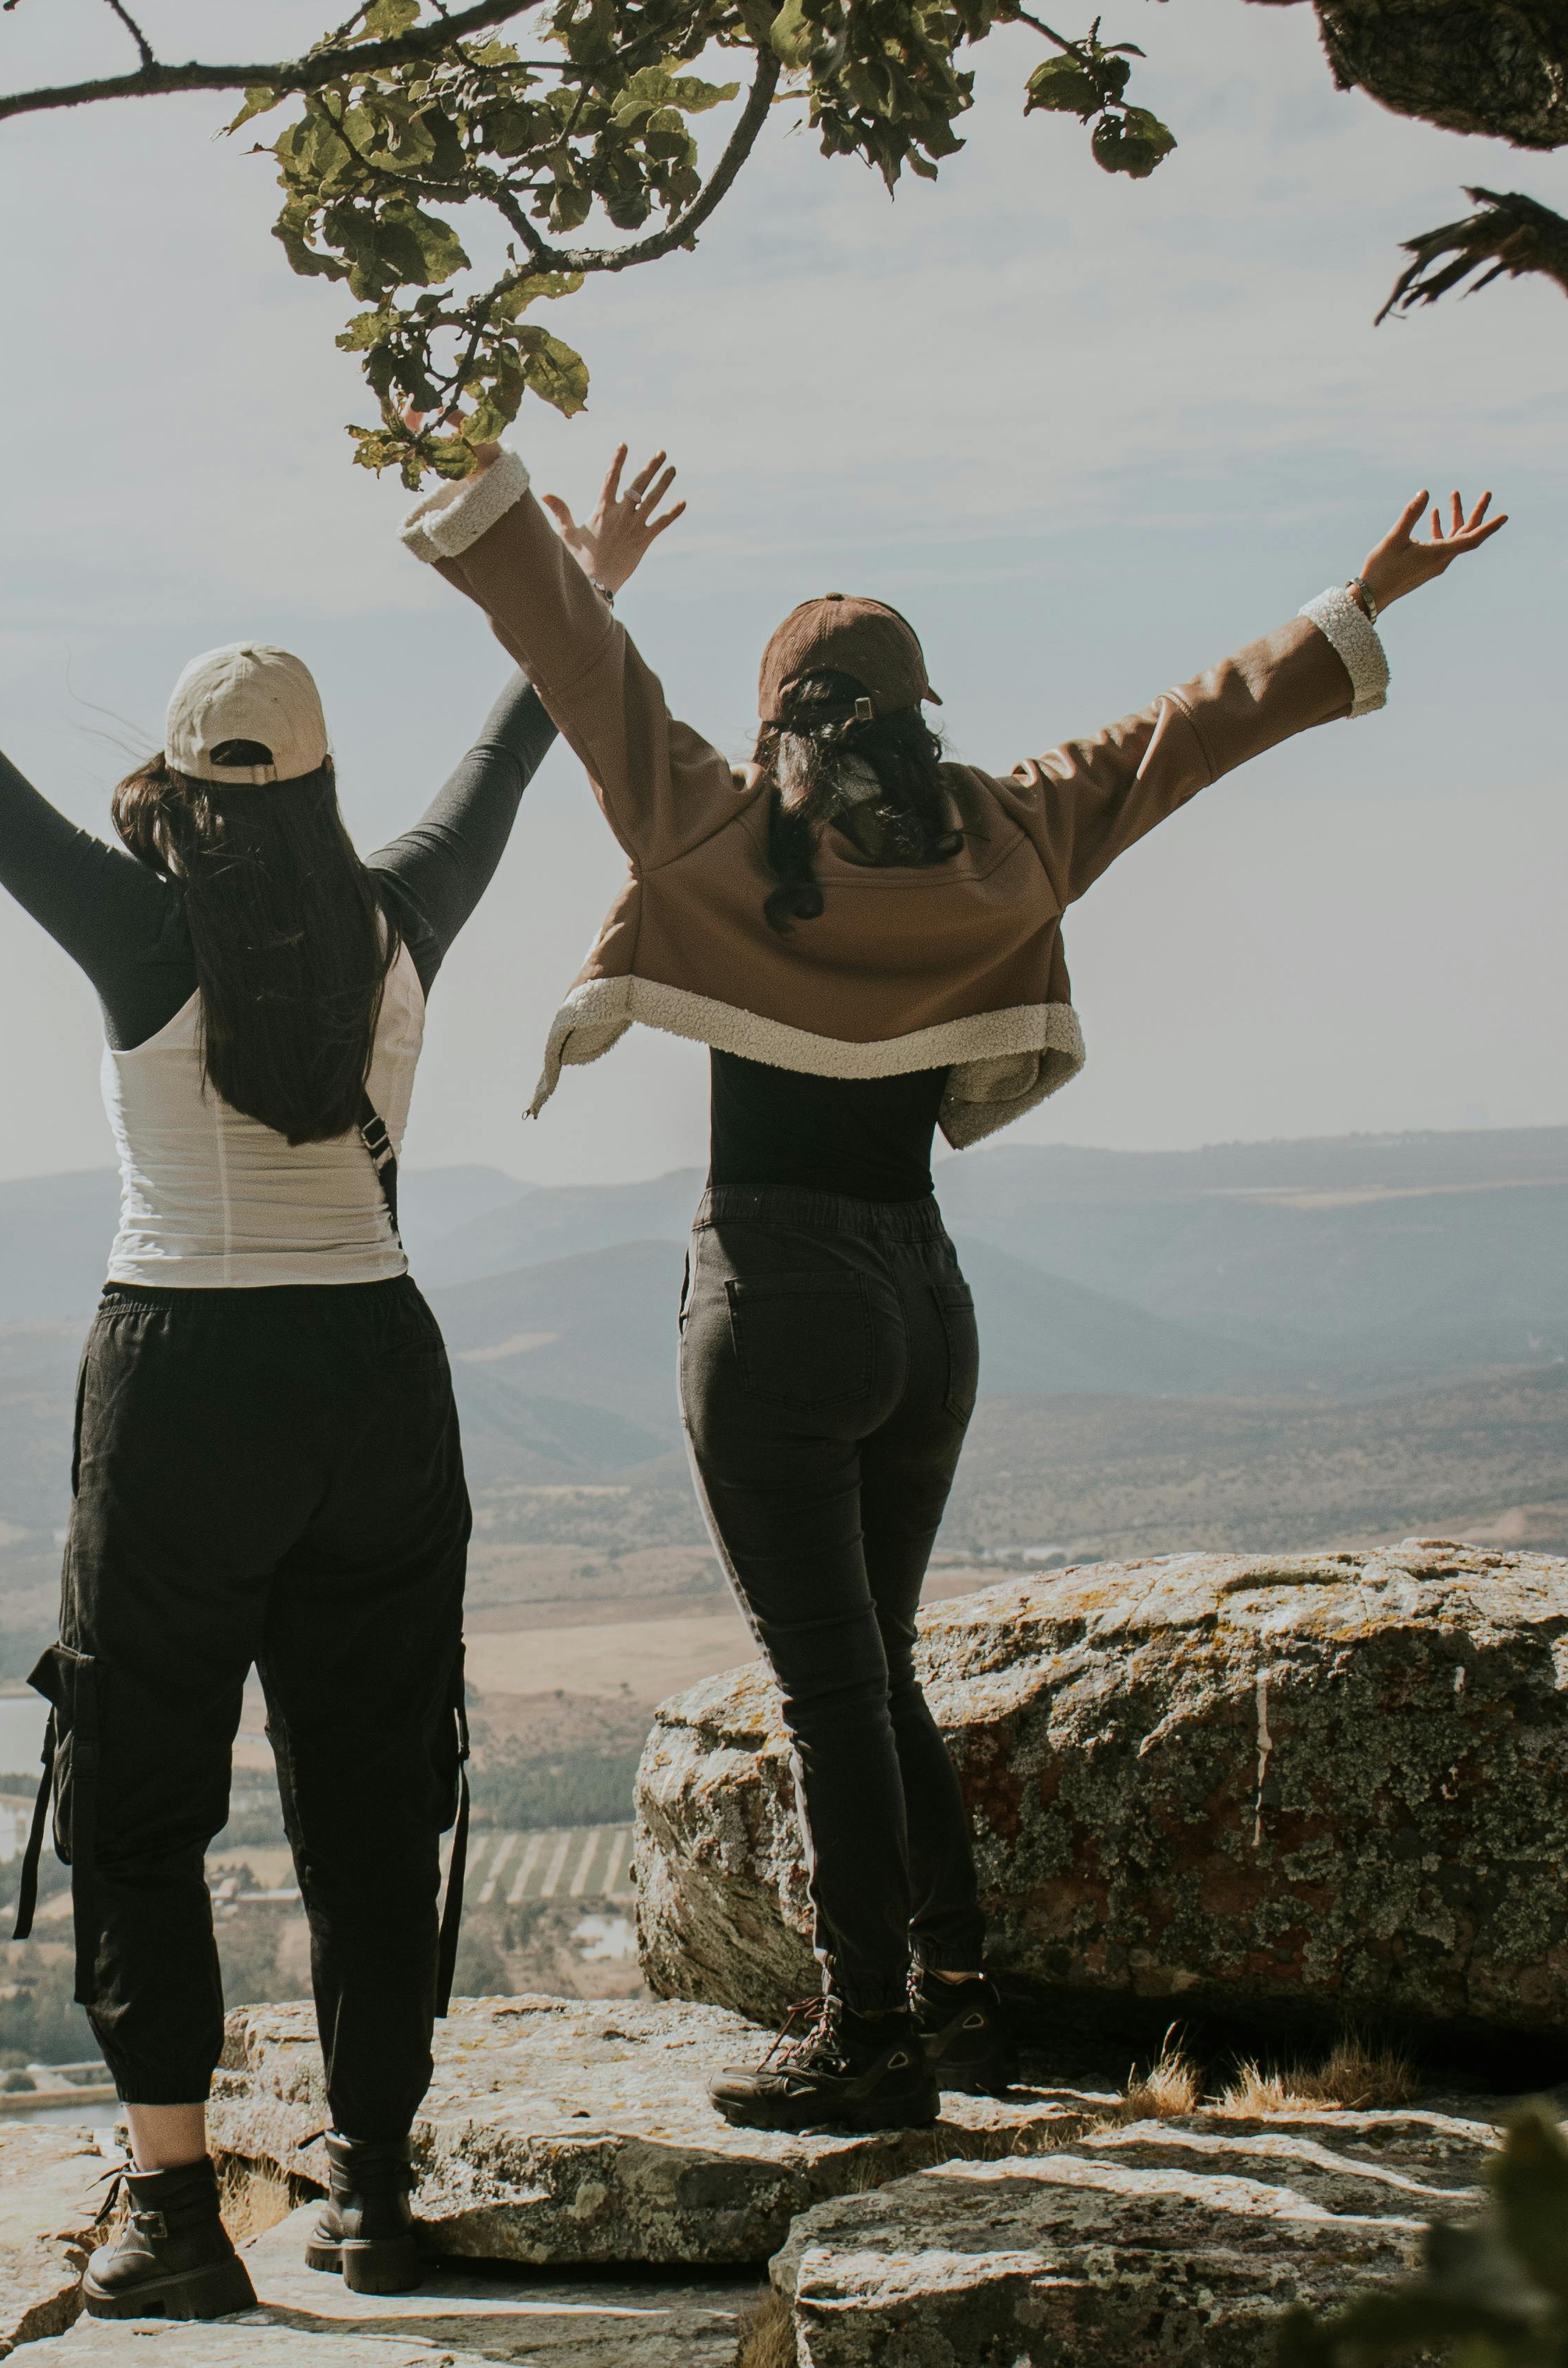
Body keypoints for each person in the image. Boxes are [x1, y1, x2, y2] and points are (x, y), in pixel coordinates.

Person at [407, 439, 1507, 2127]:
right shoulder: (1007, 834)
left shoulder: (714, 822)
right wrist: (1352, 606)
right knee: (881, 1668)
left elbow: (580, 667)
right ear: (917, 714)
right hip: (928, 1304)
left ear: (781, 714)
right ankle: (957, 1994)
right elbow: (1179, 734)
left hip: (771, 1299)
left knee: (825, 1688)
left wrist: (492, 492)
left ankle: (866, 2038)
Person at [0, 392, 572, 2315]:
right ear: (323, 782)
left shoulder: (134, 929)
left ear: (183, 779)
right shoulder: (403, 912)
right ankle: (376, 2189)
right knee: (369, 1795)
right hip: (376, 1375)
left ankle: (176, 2212)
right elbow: (520, 748)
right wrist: (573, 583)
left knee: (142, 1791)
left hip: (180, 1377)